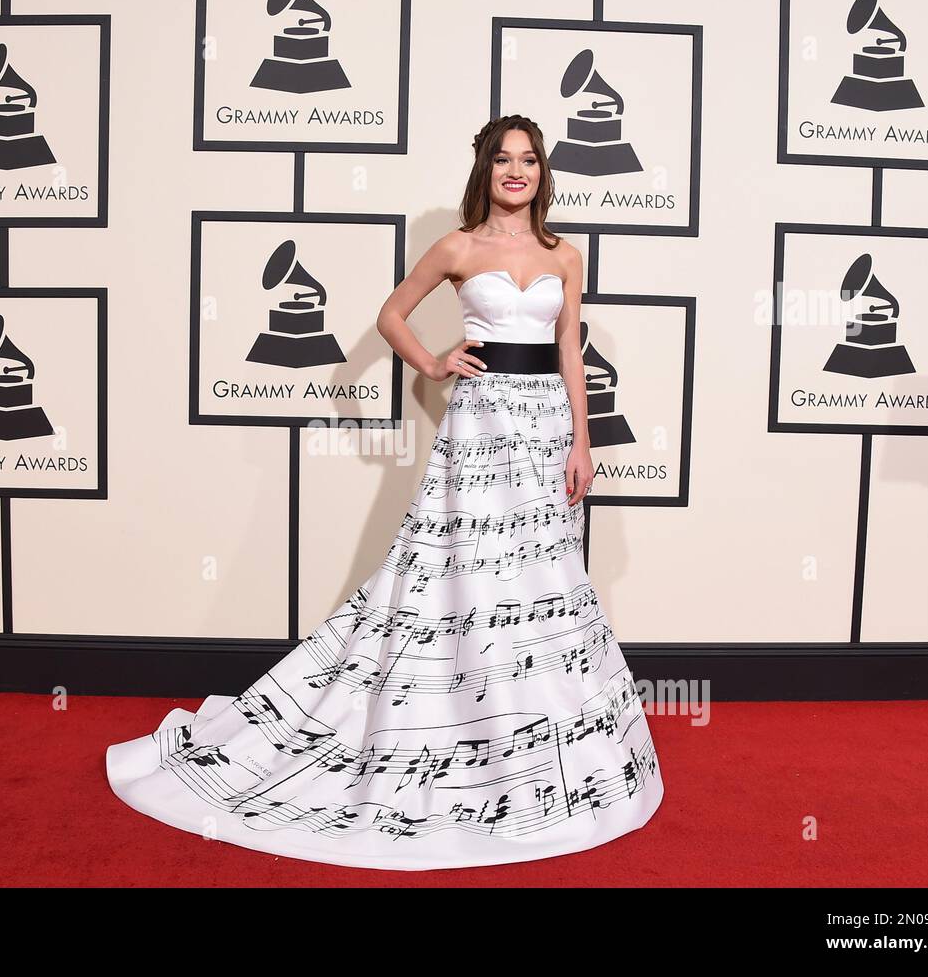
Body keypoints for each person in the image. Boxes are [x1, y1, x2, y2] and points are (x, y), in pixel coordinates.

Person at [106, 115, 665, 871]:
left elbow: (571, 347)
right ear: (485, 169)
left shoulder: (566, 255)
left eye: (528, 160)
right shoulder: (459, 248)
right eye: (503, 159)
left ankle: (534, 733)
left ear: (543, 172)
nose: (516, 171)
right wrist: (433, 364)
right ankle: (456, 719)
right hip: (479, 424)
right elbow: (389, 316)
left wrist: (583, 439)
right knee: (462, 574)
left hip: (543, 430)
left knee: (541, 578)